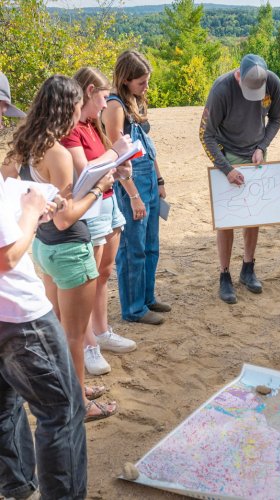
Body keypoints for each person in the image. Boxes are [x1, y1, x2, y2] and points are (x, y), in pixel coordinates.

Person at [1, 75, 118, 422]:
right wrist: (98, 189)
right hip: (69, 248)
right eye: (79, 108)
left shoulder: (20, 147)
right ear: (69, 109)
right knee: (74, 335)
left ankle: (73, 388)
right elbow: (67, 218)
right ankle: (79, 402)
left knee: (61, 327)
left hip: (42, 249)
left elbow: (10, 197)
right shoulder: (59, 153)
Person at [0, 74, 87, 498]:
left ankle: (17, 488)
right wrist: (34, 208)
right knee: (62, 411)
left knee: (5, 406)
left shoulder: (15, 155)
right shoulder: (53, 152)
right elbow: (7, 256)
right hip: (19, 313)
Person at [61, 67, 137, 376]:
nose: (106, 105)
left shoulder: (92, 124)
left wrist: (121, 168)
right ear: (89, 91)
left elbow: (103, 161)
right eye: (104, 97)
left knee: (105, 272)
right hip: (90, 207)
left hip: (108, 201)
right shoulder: (71, 128)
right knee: (89, 277)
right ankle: (89, 343)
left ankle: (102, 330)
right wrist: (115, 154)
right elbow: (83, 170)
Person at [199, 53, 280, 304]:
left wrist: (262, 146)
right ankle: (224, 274)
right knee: (227, 219)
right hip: (228, 154)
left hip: (256, 153)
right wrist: (226, 169)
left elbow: (276, 119)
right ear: (238, 75)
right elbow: (206, 135)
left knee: (253, 214)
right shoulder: (221, 89)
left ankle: (248, 267)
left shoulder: (273, 83)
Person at [101, 50, 170, 326]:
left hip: (149, 178)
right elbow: (119, 156)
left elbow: (148, 149)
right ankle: (133, 308)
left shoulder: (136, 102)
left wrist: (160, 180)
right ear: (126, 79)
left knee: (151, 244)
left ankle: (148, 297)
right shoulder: (115, 106)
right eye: (142, 82)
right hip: (132, 182)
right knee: (133, 247)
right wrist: (134, 196)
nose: (146, 87)